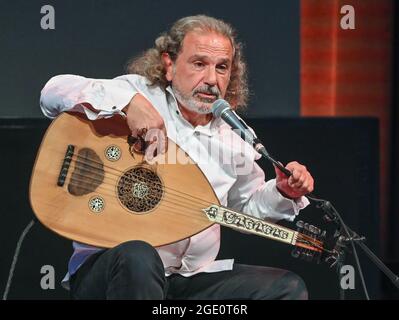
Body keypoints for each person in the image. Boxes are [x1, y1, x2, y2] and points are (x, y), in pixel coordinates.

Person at [40, 15, 314, 300]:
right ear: (169, 65)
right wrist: (129, 104)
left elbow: (245, 207)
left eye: (222, 67)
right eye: (199, 64)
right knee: (139, 255)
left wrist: (283, 191)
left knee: (286, 289)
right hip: (116, 271)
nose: (211, 79)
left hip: (190, 279)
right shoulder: (138, 93)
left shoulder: (235, 138)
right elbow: (52, 92)